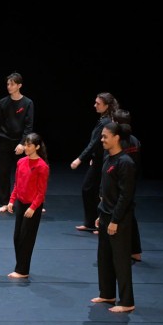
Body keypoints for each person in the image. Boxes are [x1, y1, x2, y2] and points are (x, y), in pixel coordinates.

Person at [91, 121, 137, 313]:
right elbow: (104, 187)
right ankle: (107, 293)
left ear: (116, 138)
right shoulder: (108, 158)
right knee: (104, 256)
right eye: (101, 136)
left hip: (119, 219)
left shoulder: (125, 162)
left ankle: (127, 301)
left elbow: (126, 196)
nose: (102, 139)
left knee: (120, 259)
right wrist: (101, 212)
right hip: (105, 214)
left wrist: (115, 220)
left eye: (105, 136)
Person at [70, 92, 119, 232]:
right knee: (91, 190)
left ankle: (99, 223)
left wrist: (79, 159)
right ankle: (92, 222)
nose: (95, 105)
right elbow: (97, 144)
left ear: (107, 106)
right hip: (99, 159)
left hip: (104, 161)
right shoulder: (105, 119)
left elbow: (94, 143)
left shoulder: (106, 122)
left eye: (98, 103)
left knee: (96, 191)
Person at [6, 133, 50, 279]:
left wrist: (33, 207)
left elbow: (41, 191)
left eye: (29, 145)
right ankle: (20, 266)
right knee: (17, 237)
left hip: (32, 206)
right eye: (25, 144)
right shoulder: (21, 162)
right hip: (21, 202)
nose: (26, 147)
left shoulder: (42, 166)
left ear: (36, 147)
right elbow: (17, 184)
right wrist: (11, 200)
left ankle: (22, 270)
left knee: (26, 238)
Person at [0, 72, 35, 211]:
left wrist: (22, 143)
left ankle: (25, 200)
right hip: (4, 141)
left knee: (23, 173)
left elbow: (29, 126)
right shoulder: (3, 102)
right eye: (8, 84)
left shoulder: (27, 103)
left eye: (12, 84)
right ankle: (4, 202)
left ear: (19, 85)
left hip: (20, 143)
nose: (9, 86)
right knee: (4, 172)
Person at [112, 109, 143, 262]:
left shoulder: (118, 142)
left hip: (120, 183)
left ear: (116, 123)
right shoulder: (135, 140)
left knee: (119, 215)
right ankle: (135, 251)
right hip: (131, 182)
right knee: (129, 214)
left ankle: (122, 250)